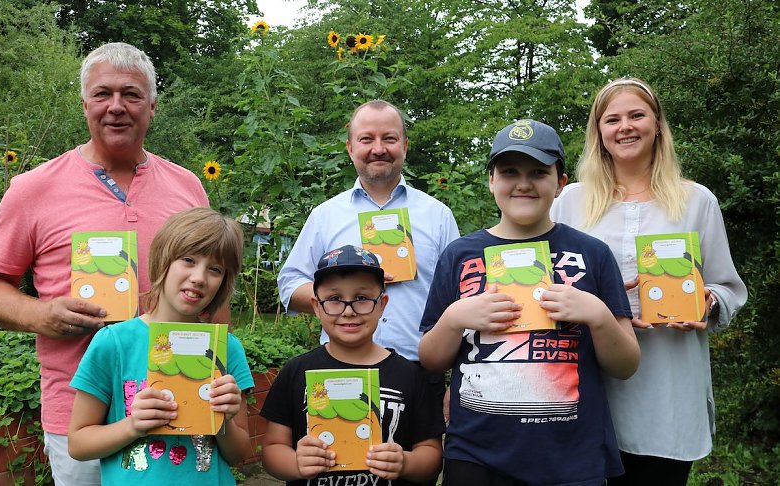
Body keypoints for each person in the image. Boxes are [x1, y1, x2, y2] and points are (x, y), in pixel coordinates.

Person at [0, 42, 209, 485]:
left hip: (175, 398)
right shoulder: (33, 188)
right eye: (103, 94)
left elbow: (214, 290)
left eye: (131, 95)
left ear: (152, 107)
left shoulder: (187, 187)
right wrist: (42, 313)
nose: (116, 107)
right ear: (84, 105)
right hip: (79, 410)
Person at [419, 119, 641, 484]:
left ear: (560, 183)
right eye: (509, 172)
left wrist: (598, 316)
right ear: (491, 180)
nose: (523, 183)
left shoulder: (593, 254)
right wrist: (455, 318)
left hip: (571, 454)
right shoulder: (459, 255)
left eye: (538, 172)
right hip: (475, 454)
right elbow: (430, 358)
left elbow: (626, 365)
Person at [551, 77, 748, 485]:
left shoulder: (697, 200)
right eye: (612, 119)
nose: (625, 126)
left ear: (657, 124)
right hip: (588, 385)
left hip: (669, 387)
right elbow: (546, 284)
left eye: (637, 115)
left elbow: (728, 287)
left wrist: (708, 301)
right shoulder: (570, 202)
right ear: (599, 132)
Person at [67, 207, 252, 484]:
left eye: (215, 269)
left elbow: (239, 454)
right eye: (188, 260)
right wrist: (133, 425)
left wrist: (224, 420)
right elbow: (78, 444)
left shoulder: (227, 347)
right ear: (162, 259)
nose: (199, 277)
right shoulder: (114, 342)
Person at [277, 100, 459, 363]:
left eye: (389, 138)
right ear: (350, 148)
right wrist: (340, 296)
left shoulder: (438, 216)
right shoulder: (325, 216)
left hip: (420, 371)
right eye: (366, 139)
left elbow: (460, 294)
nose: (378, 149)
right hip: (342, 368)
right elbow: (289, 285)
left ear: (405, 146)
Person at [261, 245, 444, 485]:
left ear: (382, 305)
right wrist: (296, 463)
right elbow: (273, 448)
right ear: (317, 307)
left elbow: (431, 454)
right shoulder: (296, 372)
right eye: (335, 299)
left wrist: (405, 462)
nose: (349, 311)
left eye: (362, 298)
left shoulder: (410, 375)